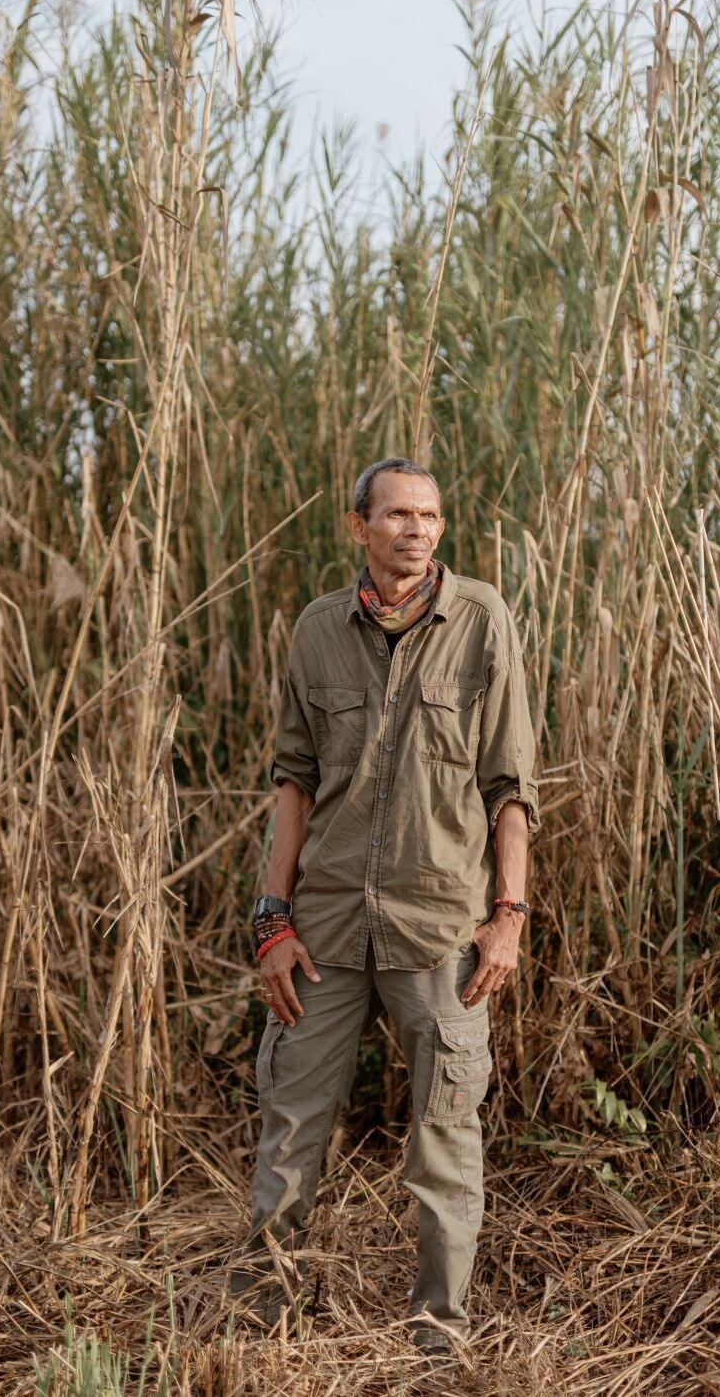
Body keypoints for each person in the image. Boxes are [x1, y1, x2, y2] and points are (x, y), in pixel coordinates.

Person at [228, 456, 541, 1355]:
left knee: (445, 1143)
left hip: (440, 927)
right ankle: (259, 1333)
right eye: (398, 514)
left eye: (432, 516)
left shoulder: (481, 620)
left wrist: (508, 918)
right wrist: (271, 921)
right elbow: (293, 782)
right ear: (357, 525)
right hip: (321, 929)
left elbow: (509, 787)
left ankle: (438, 1339)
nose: (417, 530)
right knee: (289, 1133)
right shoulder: (319, 629)